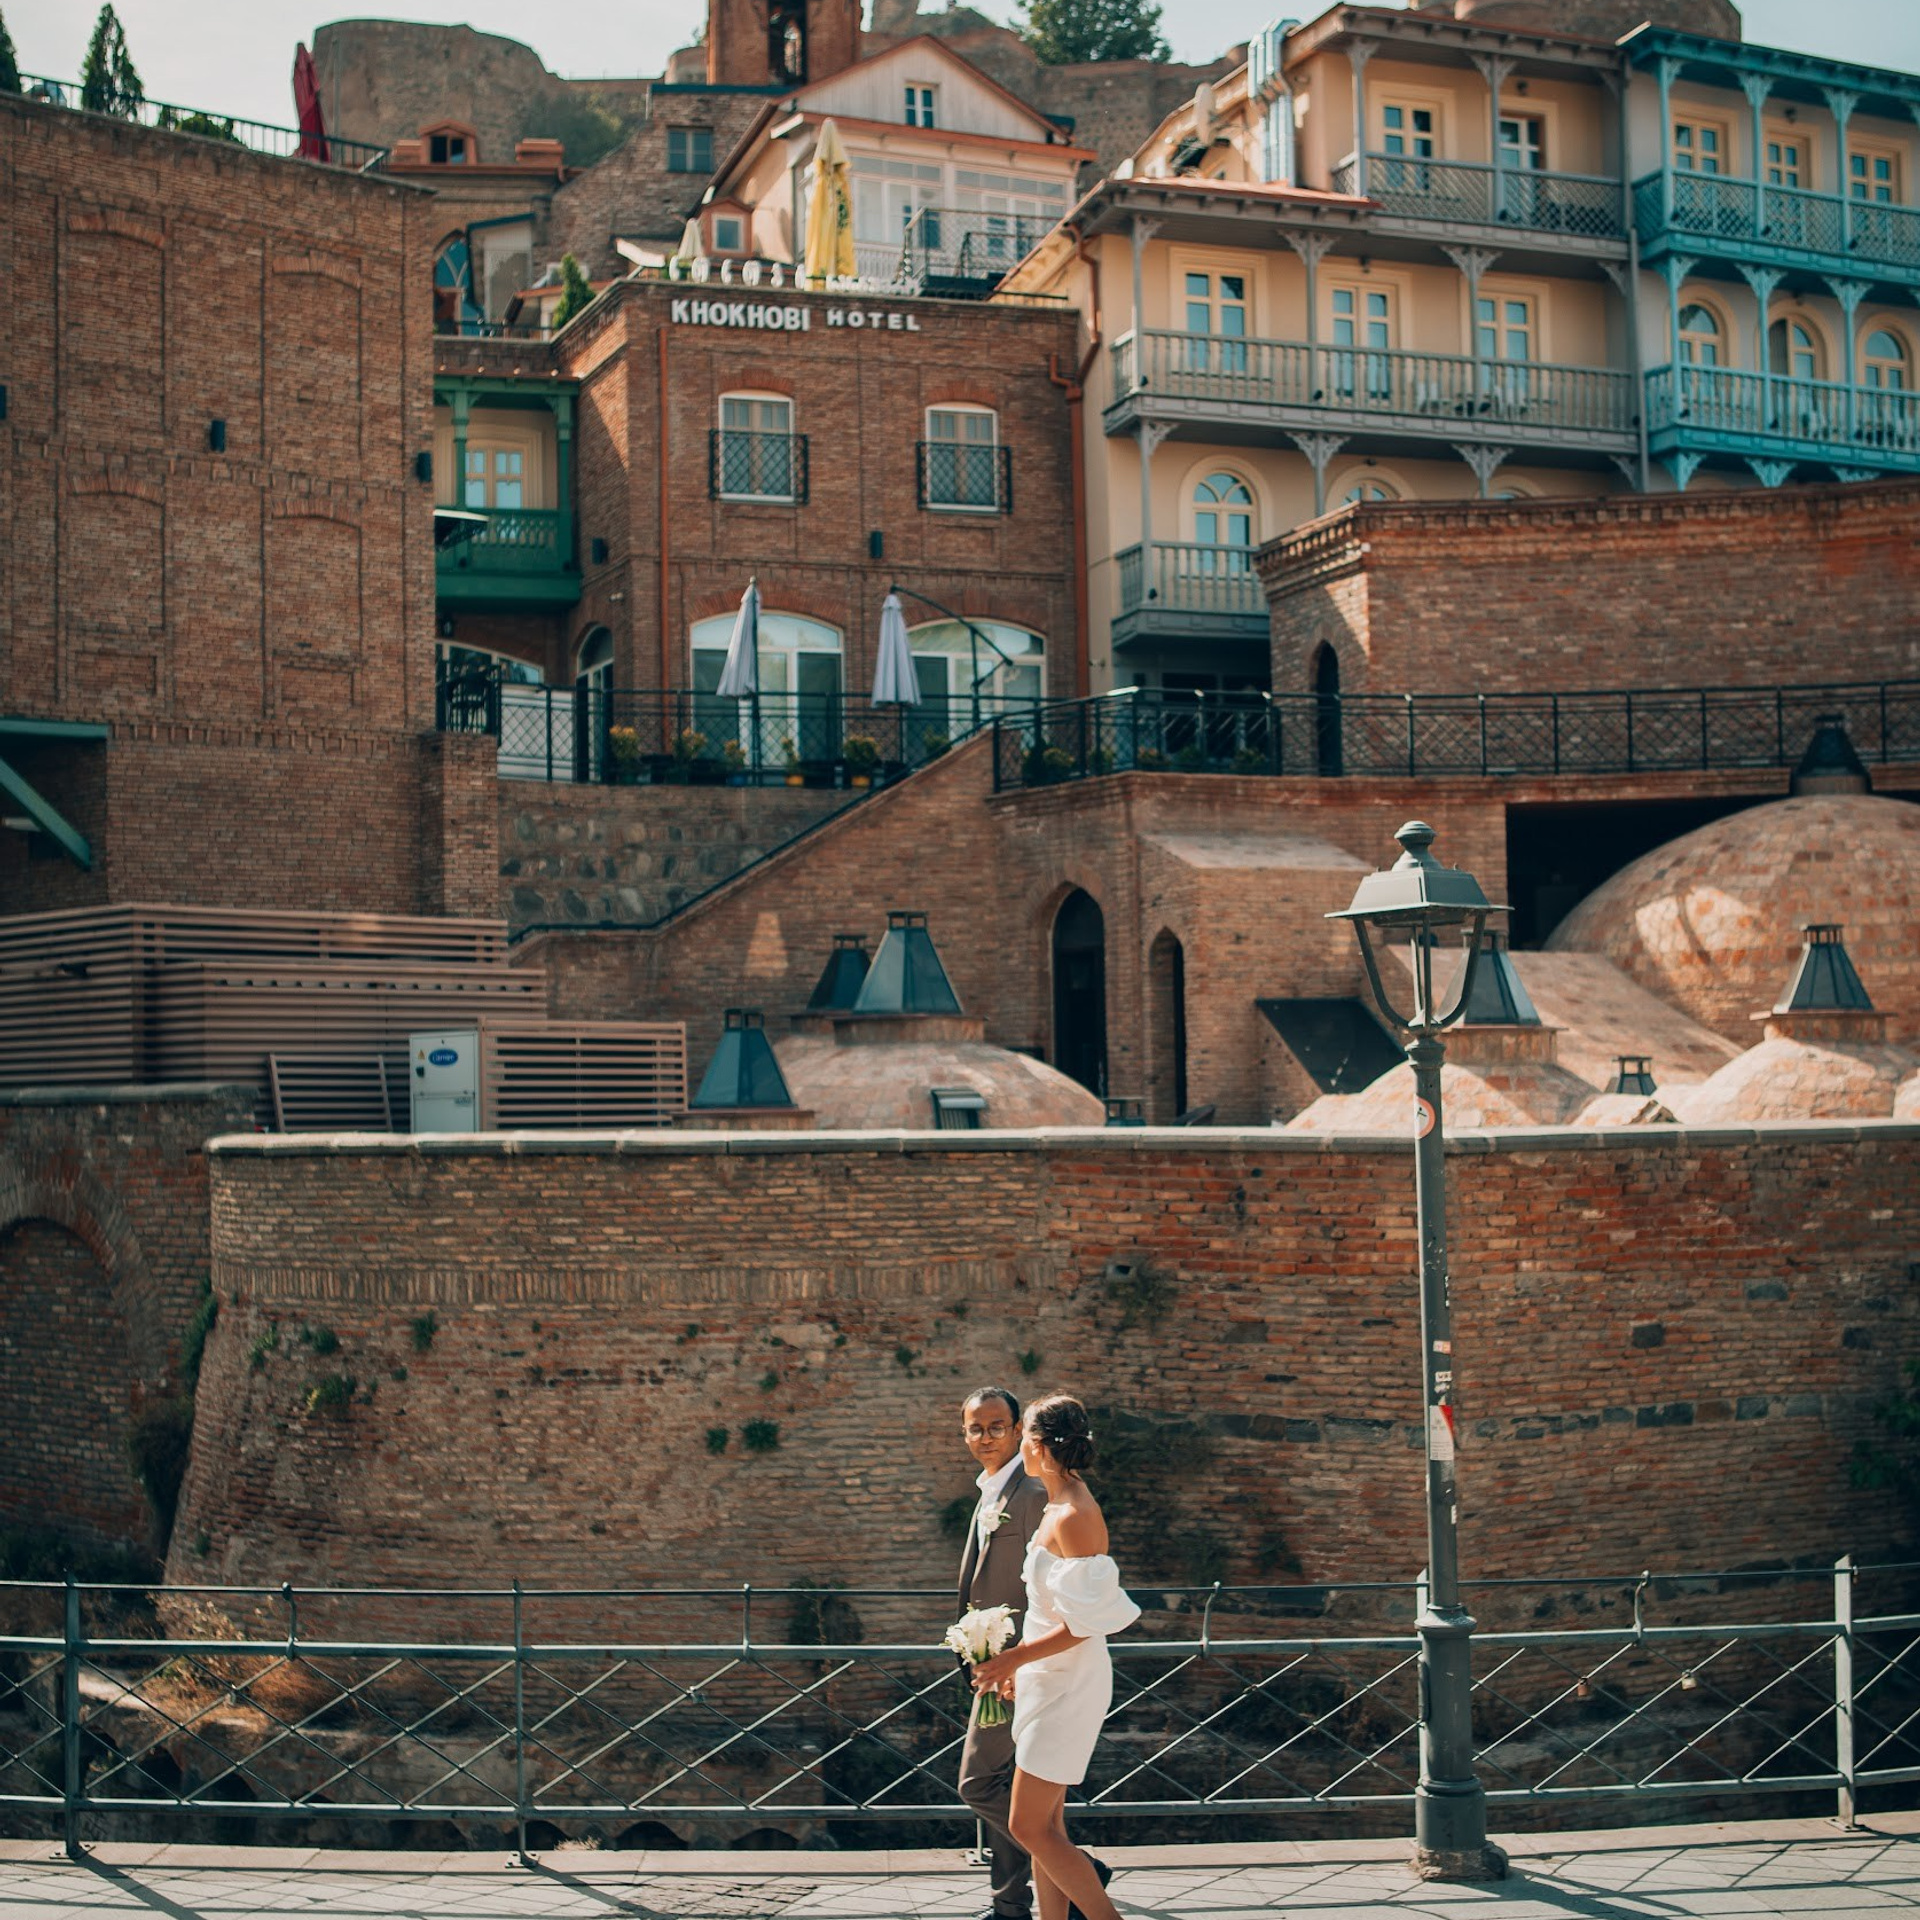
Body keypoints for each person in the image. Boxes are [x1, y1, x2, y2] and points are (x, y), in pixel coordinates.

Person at [970, 1392, 1138, 1920]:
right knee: (1047, 1826)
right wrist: (1024, 1669)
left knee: (1026, 1825)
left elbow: (1086, 1625)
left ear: (1040, 1446)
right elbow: (1052, 1611)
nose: (1017, 1445)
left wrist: (1012, 1659)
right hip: (1047, 1679)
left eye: (1022, 1436)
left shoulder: (1075, 1516)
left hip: (1071, 1686)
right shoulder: (1054, 1504)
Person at [955, 1386, 1049, 1920]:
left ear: (1017, 1431)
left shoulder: (1031, 1493)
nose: (985, 1437)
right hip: (991, 1664)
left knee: (977, 1783)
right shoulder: (990, 1490)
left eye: (996, 1427)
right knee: (1005, 1784)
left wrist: (1021, 1660)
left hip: (1018, 1667)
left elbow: (1045, 1588)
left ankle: (1075, 1867)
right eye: (975, 1428)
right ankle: (1011, 1905)